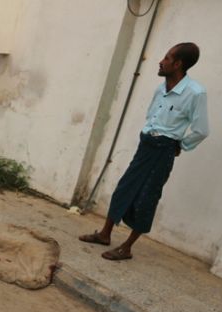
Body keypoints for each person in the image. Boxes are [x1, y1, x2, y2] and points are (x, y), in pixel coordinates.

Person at [80, 43, 208, 261]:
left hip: (163, 151)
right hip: (146, 146)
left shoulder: (195, 93)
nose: (161, 61)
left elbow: (201, 129)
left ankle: (127, 248)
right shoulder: (161, 88)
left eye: (167, 58)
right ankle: (104, 234)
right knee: (124, 188)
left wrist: (180, 145)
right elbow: (152, 115)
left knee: (146, 198)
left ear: (178, 64)